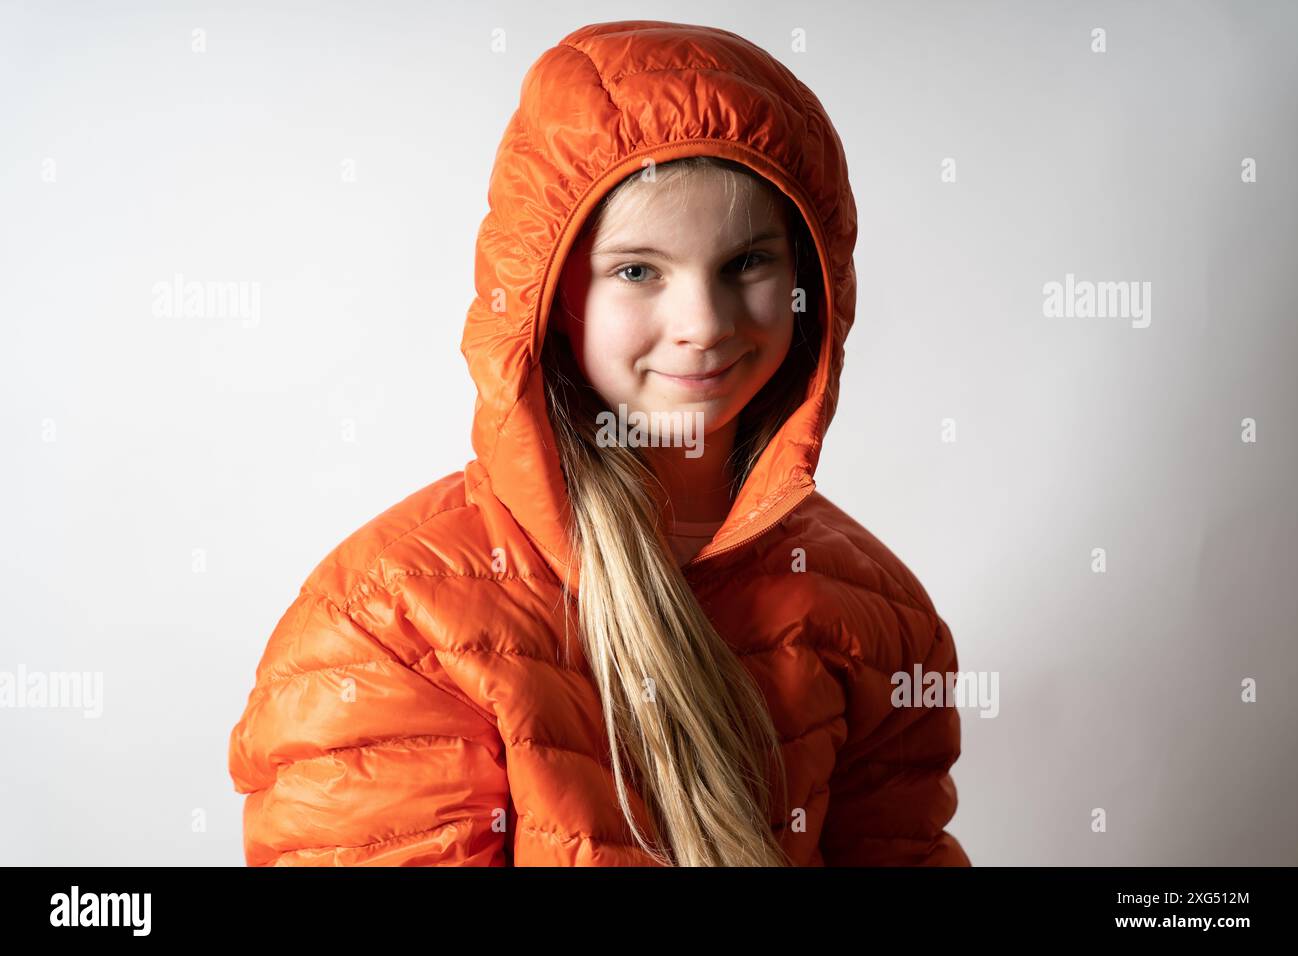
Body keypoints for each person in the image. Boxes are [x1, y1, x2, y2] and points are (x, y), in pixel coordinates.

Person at [227, 19, 971, 867]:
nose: (704, 325)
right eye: (637, 270)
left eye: (747, 264)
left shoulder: (878, 618)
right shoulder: (392, 623)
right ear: (549, 293)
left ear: (812, 279)